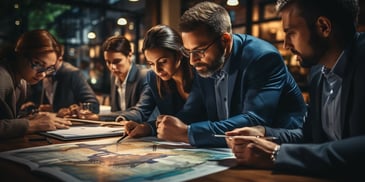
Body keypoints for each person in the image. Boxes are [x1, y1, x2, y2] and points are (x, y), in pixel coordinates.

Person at [225, 0, 365, 179]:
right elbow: (308, 136)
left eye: (291, 32)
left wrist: (279, 154)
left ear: (324, 27)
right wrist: (263, 132)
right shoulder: (317, 72)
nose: (285, 44)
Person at [154, 1, 307, 147]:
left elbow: (255, 120)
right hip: (232, 149)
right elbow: (191, 112)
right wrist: (154, 126)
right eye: (188, 52)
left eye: (199, 51)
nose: (193, 61)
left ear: (225, 40)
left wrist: (188, 133)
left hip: (283, 145)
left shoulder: (262, 58)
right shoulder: (206, 64)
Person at [117, 24, 197, 138]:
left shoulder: (200, 74)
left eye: (163, 61)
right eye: (151, 63)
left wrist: (150, 127)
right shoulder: (153, 77)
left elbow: (186, 117)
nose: (157, 70)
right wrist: (144, 126)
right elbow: (143, 108)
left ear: (178, 54)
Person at [0, 29, 72, 139]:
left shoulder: (21, 82)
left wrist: (33, 118)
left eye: (48, 68)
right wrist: (31, 125)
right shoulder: (2, 77)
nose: (42, 74)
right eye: (37, 64)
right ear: (19, 54)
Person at [27, 51, 100, 114]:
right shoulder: (41, 74)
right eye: (41, 64)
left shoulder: (72, 73)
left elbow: (94, 106)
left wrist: (69, 110)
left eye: (51, 64)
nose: (45, 68)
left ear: (60, 59)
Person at [101, 35, 149, 119]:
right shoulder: (113, 76)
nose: (113, 67)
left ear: (130, 55)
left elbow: (138, 112)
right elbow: (115, 111)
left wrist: (99, 117)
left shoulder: (145, 76)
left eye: (117, 61)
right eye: (108, 62)